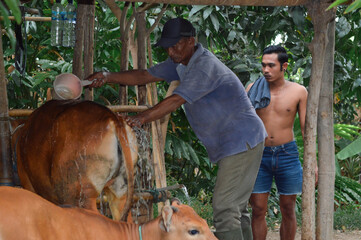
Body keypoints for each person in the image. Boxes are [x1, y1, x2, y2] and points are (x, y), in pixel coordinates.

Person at [87, 17, 267, 240]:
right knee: (236, 209)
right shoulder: (183, 63)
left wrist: (141, 118)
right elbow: (145, 75)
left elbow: (175, 100)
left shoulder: (203, 67)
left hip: (242, 140)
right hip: (238, 141)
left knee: (225, 208)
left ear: (191, 41)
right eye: (167, 47)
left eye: (175, 46)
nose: (171, 52)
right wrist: (107, 77)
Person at [246, 45, 314, 240]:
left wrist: (313, 162)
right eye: (263, 65)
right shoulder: (253, 89)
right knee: (258, 208)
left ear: (284, 66)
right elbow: (243, 122)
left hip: (287, 154)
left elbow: (305, 129)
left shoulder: (299, 91)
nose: (265, 70)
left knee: (288, 208)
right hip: (259, 154)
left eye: (271, 65)